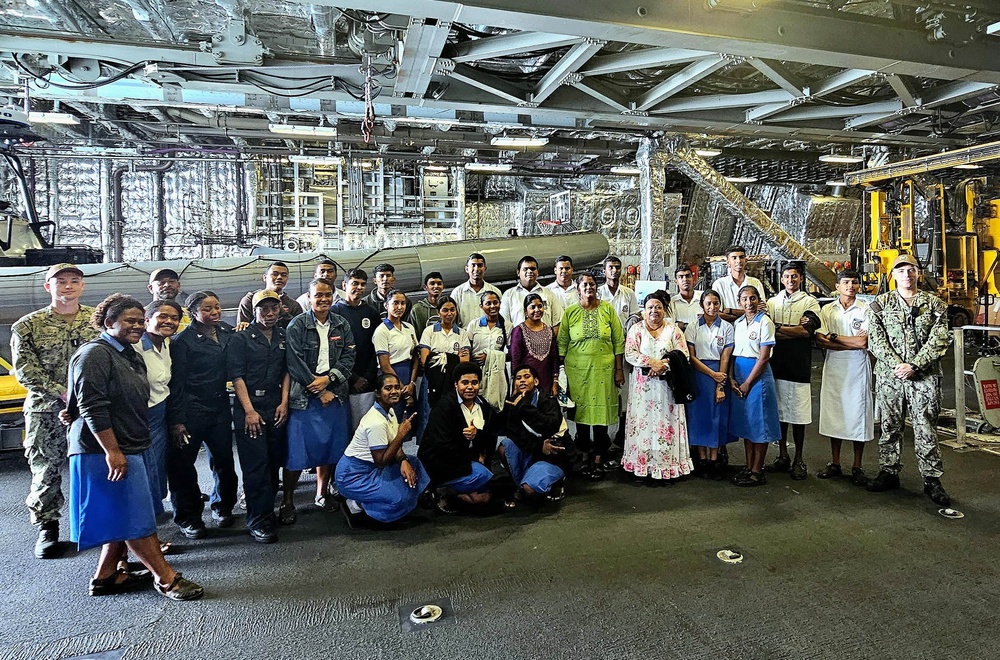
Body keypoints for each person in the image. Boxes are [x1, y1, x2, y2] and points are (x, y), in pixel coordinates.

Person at [66, 294, 202, 600]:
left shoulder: (126, 353)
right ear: (108, 322)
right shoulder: (95, 354)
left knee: (121, 512)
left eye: (140, 321)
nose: (138, 326)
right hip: (103, 450)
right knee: (136, 516)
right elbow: (92, 406)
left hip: (130, 442)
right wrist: (113, 451)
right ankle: (165, 578)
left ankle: (106, 576)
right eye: (130, 321)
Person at [11, 263, 98, 558]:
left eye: (75, 281)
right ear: (48, 286)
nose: (68, 286)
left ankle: (95, 525)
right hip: (46, 410)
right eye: (61, 282)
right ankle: (47, 529)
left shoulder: (96, 321)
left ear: (82, 286)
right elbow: (25, 370)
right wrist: (62, 393)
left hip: (89, 410)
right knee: (46, 470)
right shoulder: (27, 325)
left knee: (95, 467)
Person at [865, 254, 952, 506]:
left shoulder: (934, 305)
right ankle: (889, 471)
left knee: (926, 427)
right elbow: (876, 341)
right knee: (890, 426)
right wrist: (898, 365)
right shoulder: (880, 305)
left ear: (918, 273)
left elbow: (939, 339)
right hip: (890, 377)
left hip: (923, 377)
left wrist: (914, 364)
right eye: (900, 270)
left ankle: (932, 479)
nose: (906, 275)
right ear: (892, 275)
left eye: (910, 270)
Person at [166, 291, 239, 538]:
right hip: (190, 410)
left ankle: (223, 506)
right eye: (207, 309)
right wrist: (177, 420)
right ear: (193, 313)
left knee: (224, 461)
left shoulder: (228, 332)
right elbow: (176, 384)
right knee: (183, 467)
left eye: (217, 307)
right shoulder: (182, 341)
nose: (214, 312)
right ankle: (189, 517)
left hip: (219, 408)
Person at [283, 278, 356, 518]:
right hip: (304, 398)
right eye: (318, 295)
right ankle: (288, 501)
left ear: (334, 296)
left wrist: (329, 381)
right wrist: (319, 389)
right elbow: (293, 361)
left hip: (335, 395)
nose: (323, 299)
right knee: (297, 452)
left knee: (329, 448)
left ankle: (321, 494)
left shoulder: (341, 324)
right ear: (309, 297)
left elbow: (348, 357)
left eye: (327, 295)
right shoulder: (297, 325)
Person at [227, 290, 290, 543]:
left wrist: (284, 403)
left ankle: (267, 511)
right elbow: (237, 376)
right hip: (249, 407)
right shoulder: (241, 338)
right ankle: (258, 521)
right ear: (254, 311)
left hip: (275, 404)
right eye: (264, 309)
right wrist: (249, 411)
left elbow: (287, 371)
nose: (270, 313)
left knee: (274, 462)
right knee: (256, 467)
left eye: (274, 308)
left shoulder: (283, 336)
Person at [335, 374, 431, 527]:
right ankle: (355, 506)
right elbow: (382, 461)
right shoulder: (376, 423)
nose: (394, 391)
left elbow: (393, 444)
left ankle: (392, 503)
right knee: (398, 498)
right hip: (353, 476)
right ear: (378, 393)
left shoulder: (389, 411)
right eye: (388, 388)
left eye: (397, 387)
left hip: (371, 467)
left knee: (414, 463)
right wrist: (401, 434)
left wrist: (404, 461)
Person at [558, 273, 625, 480]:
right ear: (578, 288)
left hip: (604, 372)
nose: (589, 287)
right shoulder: (570, 313)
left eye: (592, 284)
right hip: (577, 372)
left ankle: (598, 458)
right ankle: (585, 456)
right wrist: (559, 376)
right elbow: (562, 343)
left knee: (601, 418)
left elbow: (618, 340)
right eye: (584, 284)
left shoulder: (607, 310)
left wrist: (619, 369)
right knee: (582, 417)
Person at [622, 291, 693, 483]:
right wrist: (652, 362)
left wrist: (664, 365)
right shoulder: (636, 330)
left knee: (665, 425)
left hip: (667, 388)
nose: (654, 311)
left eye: (658, 307)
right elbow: (629, 353)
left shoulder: (674, 330)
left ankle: (667, 468)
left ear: (665, 309)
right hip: (642, 389)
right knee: (643, 426)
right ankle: (641, 467)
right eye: (650, 307)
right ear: (644, 310)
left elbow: (683, 354)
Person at [764, 264, 823, 480]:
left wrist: (777, 329)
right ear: (782, 279)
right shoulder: (772, 302)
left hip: (799, 365)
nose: (791, 280)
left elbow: (806, 331)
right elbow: (765, 331)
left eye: (794, 276)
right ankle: (782, 455)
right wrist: (791, 331)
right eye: (787, 276)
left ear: (800, 279)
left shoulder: (809, 302)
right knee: (779, 413)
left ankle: (799, 459)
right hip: (776, 364)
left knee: (798, 415)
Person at [815, 269, 873, 486]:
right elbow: (820, 339)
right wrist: (845, 341)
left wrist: (834, 337)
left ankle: (857, 465)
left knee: (859, 414)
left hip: (858, 366)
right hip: (834, 367)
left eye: (855, 282)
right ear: (837, 286)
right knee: (835, 413)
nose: (850, 286)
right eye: (846, 282)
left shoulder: (866, 309)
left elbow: (863, 343)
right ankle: (835, 462)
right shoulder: (828, 310)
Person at [418, 363, 498, 513]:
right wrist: (472, 456)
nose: (470, 387)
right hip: (442, 463)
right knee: (484, 475)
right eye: (464, 383)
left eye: (474, 383)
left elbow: (490, 436)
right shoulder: (444, 407)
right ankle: (439, 489)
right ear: (456, 384)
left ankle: (454, 493)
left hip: (468, 461)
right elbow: (440, 446)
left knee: (483, 498)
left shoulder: (484, 406)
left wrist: (477, 435)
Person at [134, 299, 182, 520]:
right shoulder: (134, 347)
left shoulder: (166, 344)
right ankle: (142, 528)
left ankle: (152, 517)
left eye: (174, 318)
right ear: (147, 319)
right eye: (162, 316)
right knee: (142, 471)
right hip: (140, 417)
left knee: (156, 468)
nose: (169, 321)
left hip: (159, 414)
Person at [729, 285, 781, 487]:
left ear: (758, 300)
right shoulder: (739, 323)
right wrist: (732, 377)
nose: (748, 303)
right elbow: (733, 352)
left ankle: (757, 470)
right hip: (740, 373)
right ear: (739, 302)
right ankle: (748, 465)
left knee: (760, 424)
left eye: (752, 298)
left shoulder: (765, 322)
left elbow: (764, 357)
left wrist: (748, 383)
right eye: (744, 299)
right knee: (747, 424)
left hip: (757, 377)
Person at [500, 366, 574, 507]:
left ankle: (555, 482)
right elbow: (514, 433)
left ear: (536, 381)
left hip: (553, 456)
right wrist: (539, 446)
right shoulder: (513, 402)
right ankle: (523, 484)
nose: (522, 380)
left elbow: (548, 426)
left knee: (530, 489)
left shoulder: (549, 401)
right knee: (506, 446)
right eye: (518, 378)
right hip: (535, 450)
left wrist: (523, 406)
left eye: (526, 377)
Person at [684, 290, 735, 479]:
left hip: (719, 375)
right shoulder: (692, 327)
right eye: (708, 304)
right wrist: (711, 374)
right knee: (699, 417)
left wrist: (720, 382)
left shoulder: (727, 328)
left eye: (715, 303)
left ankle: (714, 460)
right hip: (699, 374)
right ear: (702, 306)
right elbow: (691, 356)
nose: (712, 307)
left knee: (717, 417)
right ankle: (702, 459)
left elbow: (726, 355)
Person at [598, 256, 639, 459]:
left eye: (617, 267)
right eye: (610, 267)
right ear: (604, 271)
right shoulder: (598, 293)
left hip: (625, 350)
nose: (614, 271)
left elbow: (634, 318)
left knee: (625, 392)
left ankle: (623, 436)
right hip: (604, 350)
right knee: (606, 392)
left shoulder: (629, 294)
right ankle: (602, 438)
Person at [332, 269, 382, 433]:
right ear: (345, 285)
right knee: (345, 428)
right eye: (355, 283)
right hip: (341, 379)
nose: (359, 287)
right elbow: (332, 351)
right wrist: (352, 377)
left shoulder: (371, 313)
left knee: (366, 427)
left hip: (367, 379)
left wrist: (367, 376)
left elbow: (376, 347)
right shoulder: (334, 312)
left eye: (362, 284)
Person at [416, 296, 471, 441]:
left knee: (451, 414)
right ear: (438, 311)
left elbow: (464, 362)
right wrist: (453, 357)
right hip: (432, 381)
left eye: (452, 310)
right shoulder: (430, 331)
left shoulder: (462, 333)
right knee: (429, 414)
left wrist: (439, 356)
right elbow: (425, 360)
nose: (449, 313)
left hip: (453, 381)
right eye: (445, 310)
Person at [373, 289, 420, 432]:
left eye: (403, 303)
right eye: (395, 303)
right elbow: (385, 364)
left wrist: (411, 384)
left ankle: (404, 453)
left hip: (408, 375)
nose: (400, 307)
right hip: (391, 377)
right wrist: (402, 389)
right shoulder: (382, 331)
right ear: (386, 305)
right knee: (394, 419)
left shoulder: (409, 327)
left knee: (408, 419)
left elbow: (415, 356)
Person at [465, 290, 509, 411]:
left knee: (494, 405)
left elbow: (511, 353)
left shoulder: (507, 326)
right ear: (481, 306)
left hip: (497, 370)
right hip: (475, 370)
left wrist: (490, 357)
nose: (492, 306)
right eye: (488, 303)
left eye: (495, 302)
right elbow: (467, 348)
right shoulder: (474, 324)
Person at [510, 293, 560, 396]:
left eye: (540, 306)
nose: (537, 310)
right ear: (525, 311)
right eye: (532, 307)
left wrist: (555, 381)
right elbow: (515, 359)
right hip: (526, 382)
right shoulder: (519, 330)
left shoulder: (549, 330)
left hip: (546, 380)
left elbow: (554, 357)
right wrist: (517, 383)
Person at [500, 256, 564, 332]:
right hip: (517, 342)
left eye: (533, 269)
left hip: (545, 342)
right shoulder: (508, 295)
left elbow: (558, 323)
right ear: (518, 272)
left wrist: (550, 341)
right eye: (525, 269)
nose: (530, 271)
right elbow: (504, 323)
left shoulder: (549, 294)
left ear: (537, 272)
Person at [236, 261, 304, 330]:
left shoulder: (294, 306)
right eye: (275, 274)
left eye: (283, 275)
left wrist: (284, 314)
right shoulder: (250, 300)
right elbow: (242, 329)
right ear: (265, 278)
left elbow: (298, 332)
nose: (279, 277)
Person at [712, 245, 766, 323]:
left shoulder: (755, 283)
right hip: (727, 331)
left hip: (752, 329)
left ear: (745, 260)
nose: (738, 261)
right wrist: (749, 313)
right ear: (728, 262)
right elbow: (717, 314)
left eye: (741, 257)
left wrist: (731, 311)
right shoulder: (719, 284)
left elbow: (761, 312)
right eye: (734, 258)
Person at [450, 253, 501, 331]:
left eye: (480, 265)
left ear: (485, 269)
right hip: (465, 338)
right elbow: (452, 319)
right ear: (467, 269)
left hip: (489, 336)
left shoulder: (495, 292)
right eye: (473, 265)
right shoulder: (457, 293)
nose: (476, 269)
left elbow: (500, 318)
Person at [668, 264, 703, 331]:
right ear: (676, 282)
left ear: (693, 279)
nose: (685, 279)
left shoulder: (703, 298)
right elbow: (670, 325)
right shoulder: (672, 303)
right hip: (681, 339)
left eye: (688, 276)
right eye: (681, 277)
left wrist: (681, 325)